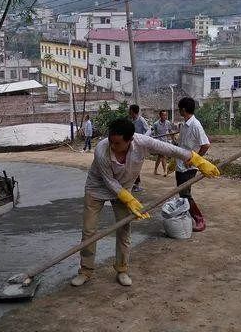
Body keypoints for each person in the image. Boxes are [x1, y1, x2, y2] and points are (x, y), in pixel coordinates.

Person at [71, 117, 219, 288]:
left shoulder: (142, 143)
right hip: (97, 188)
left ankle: (122, 269)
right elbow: (109, 181)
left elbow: (170, 149)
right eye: (111, 141)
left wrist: (197, 160)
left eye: (118, 143)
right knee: (89, 231)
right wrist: (130, 199)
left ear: (130, 140)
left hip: (124, 189)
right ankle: (85, 271)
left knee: (124, 228)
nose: (113, 146)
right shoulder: (101, 149)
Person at [175, 97, 212, 232]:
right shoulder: (184, 125)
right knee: (181, 193)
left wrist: (195, 159)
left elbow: (206, 144)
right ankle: (186, 217)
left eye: (179, 109)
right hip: (180, 164)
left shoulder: (196, 125)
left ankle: (199, 219)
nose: (179, 111)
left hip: (189, 167)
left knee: (185, 194)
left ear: (183, 109)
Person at [128, 104, 150, 192]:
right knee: (131, 164)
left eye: (130, 110)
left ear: (133, 111)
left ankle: (136, 184)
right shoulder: (131, 121)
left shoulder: (141, 120)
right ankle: (133, 183)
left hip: (139, 146)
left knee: (135, 164)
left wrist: (143, 138)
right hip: (132, 145)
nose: (128, 112)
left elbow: (148, 130)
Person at [151, 110, 175, 176]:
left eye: (166, 115)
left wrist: (173, 139)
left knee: (160, 156)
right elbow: (152, 132)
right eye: (163, 115)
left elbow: (170, 131)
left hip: (165, 141)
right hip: (158, 142)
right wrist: (153, 138)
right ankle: (165, 171)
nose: (165, 117)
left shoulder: (168, 123)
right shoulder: (156, 124)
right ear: (160, 116)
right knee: (163, 156)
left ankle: (155, 170)